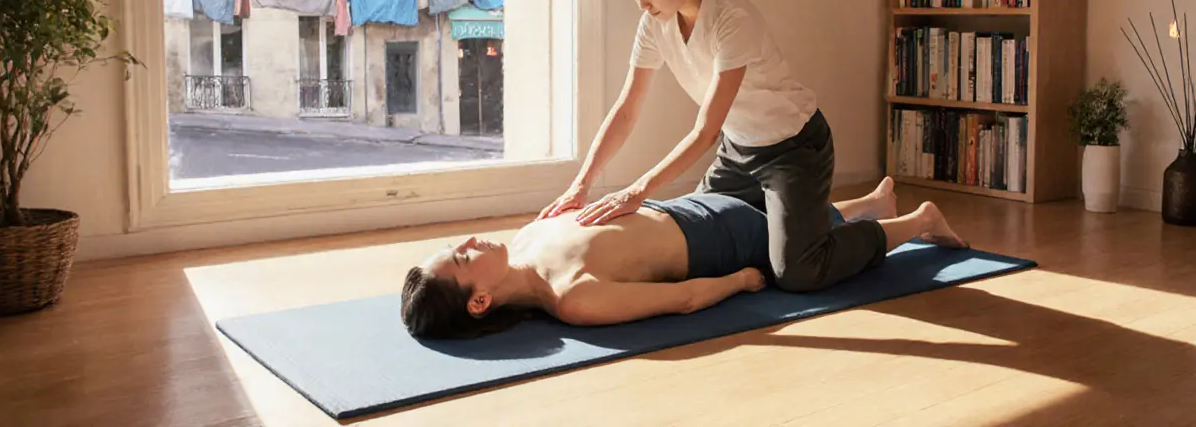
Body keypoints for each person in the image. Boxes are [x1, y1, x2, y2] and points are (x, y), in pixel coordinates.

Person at [538, 0, 913, 294]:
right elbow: (628, 109)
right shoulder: (654, 24)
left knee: (797, 271)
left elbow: (704, 131)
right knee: (707, 242)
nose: (643, 5)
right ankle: (868, 204)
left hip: (794, 149)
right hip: (738, 152)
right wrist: (581, 184)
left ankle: (911, 223)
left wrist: (637, 192)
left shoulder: (732, 17)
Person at [401, 177, 968, 339]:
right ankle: (916, 221)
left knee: (802, 243)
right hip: (720, 235)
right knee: (803, 262)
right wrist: (743, 280)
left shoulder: (526, 238)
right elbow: (684, 297)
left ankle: (875, 205)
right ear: (479, 300)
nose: (471, 242)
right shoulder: (572, 297)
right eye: (462, 256)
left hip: (700, 203)